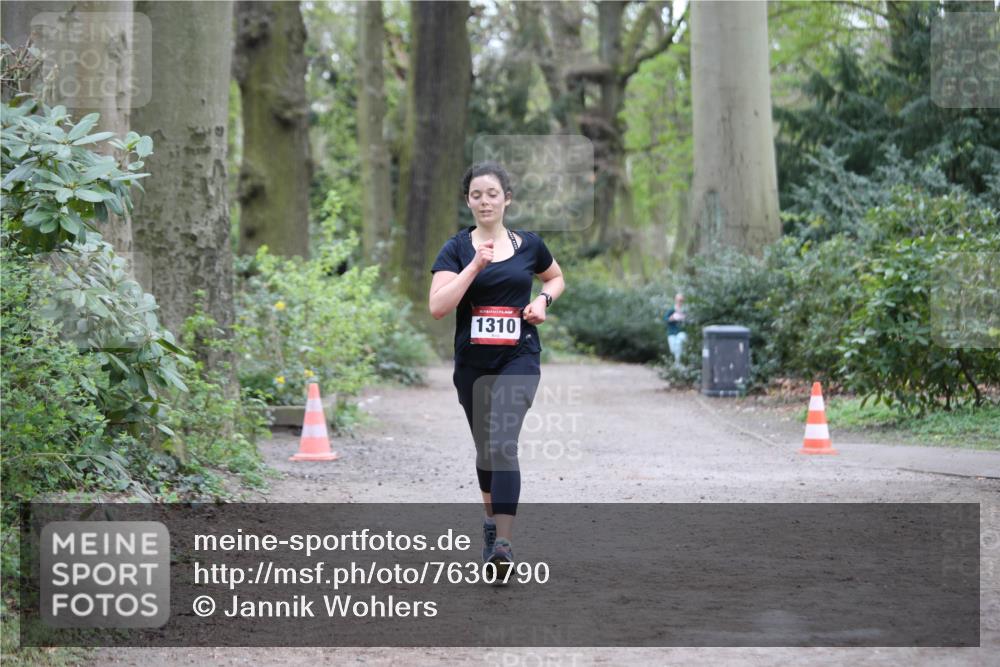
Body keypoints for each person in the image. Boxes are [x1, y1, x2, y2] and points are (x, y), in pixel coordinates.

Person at [428, 161, 565, 579]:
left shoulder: (529, 244)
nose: (484, 201)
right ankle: (490, 524)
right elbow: (437, 307)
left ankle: (503, 543)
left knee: (503, 441)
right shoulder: (455, 249)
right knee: (487, 448)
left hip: (518, 357)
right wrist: (474, 267)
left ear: (507, 198)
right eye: (476, 195)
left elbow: (555, 278)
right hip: (473, 364)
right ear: (467, 201)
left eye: (492, 193)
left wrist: (543, 302)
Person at [664, 292, 687, 368]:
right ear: (675, 300)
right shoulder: (671, 310)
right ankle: (678, 363)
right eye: (678, 300)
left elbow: (690, 320)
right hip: (672, 333)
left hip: (681, 332)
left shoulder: (685, 310)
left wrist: (684, 318)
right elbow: (666, 319)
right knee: (673, 350)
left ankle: (678, 364)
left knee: (679, 343)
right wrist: (672, 318)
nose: (680, 301)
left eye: (681, 300)